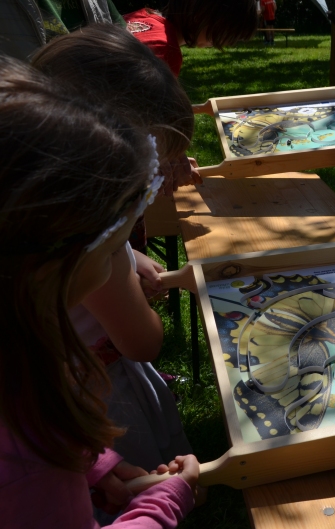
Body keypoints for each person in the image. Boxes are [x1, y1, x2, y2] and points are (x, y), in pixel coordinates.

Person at [0, 55, 198, 527]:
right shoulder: (29, 466)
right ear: (52, 266)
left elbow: (40, 424)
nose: (118, 265)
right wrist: (163, 504)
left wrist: (96, 463)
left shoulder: (19, 360)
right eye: (113, 251)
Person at [124, 0, 258, 76]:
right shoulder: (165, 51)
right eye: (229, 31)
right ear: (202, 15)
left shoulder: (140, 16)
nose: (227, 42)